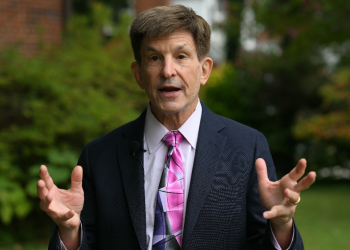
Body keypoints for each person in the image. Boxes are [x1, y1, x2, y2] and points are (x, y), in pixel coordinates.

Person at [37, 5, 316, 250]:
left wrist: (282, 226)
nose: (168, 70)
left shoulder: (247, 147)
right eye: (155, 58)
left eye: (181, 56)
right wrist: (70, 231)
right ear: (139, 74)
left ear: (204, 70)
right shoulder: (99, 156)